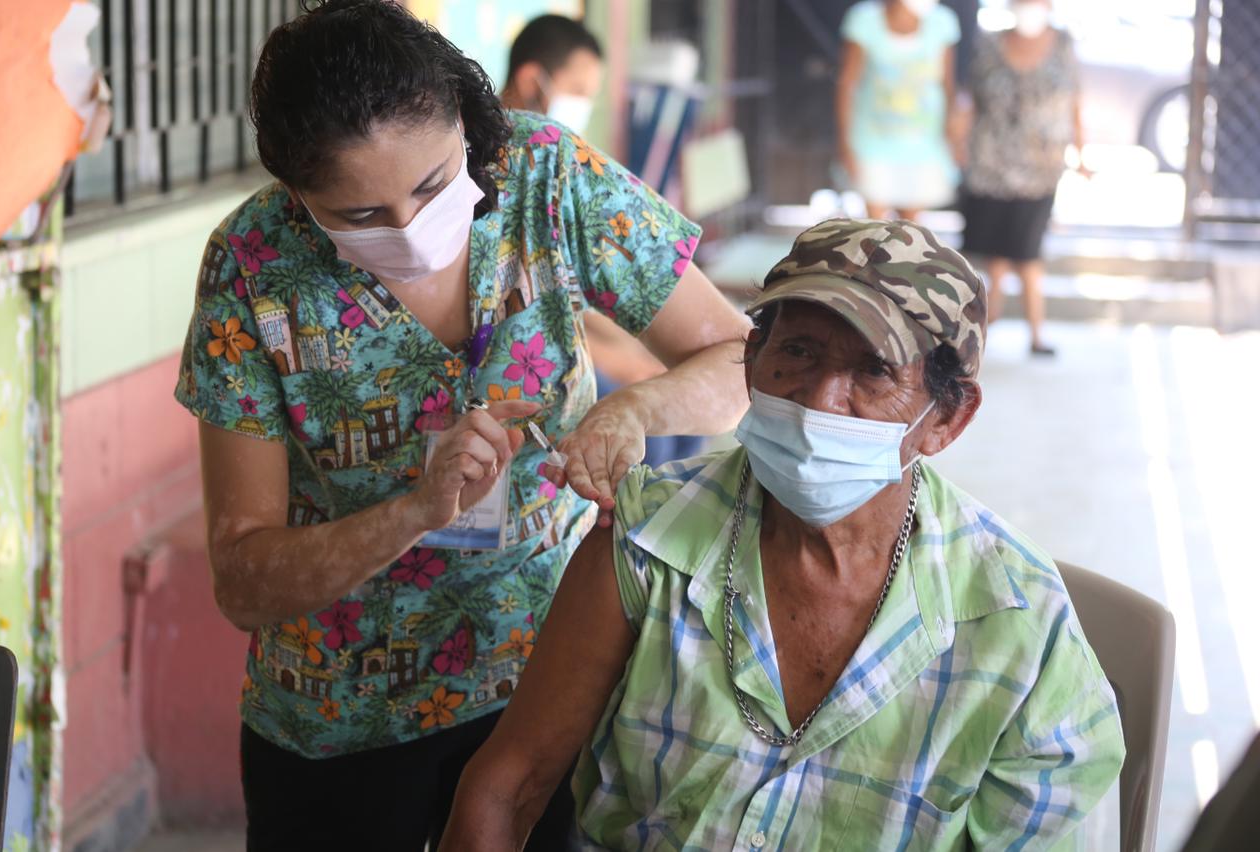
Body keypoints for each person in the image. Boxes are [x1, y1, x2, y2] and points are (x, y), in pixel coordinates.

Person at [172, 1, 750, 848]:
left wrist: (637, 409)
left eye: (433, 186)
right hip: (344, 726)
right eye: (359, 217)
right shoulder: (253, 266)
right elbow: (244, 580)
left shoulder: (546, 175)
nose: (407, 230)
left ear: (470, 129)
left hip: (555, 683)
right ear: (296, 196)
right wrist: (411, 511)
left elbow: (736, 358)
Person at [441, 219, 1125, 850]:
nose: (821, 398)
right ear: (751, 360)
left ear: (947, 419)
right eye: (797, 350)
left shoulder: (1021, 625)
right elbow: (509, 785)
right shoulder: (647, 537)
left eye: (873, 371)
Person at [501, 14, 705, 469]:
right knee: (654, 442)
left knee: (681, 416)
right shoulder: (497, 174)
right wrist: (620, 362)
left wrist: (639, 351)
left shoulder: (563, 172)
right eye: (579, 92)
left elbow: (585, 290)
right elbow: (512, 319)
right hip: (529, 361)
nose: (582, 108)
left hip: (575, 337)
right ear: (534, 79)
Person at [960, 0, 1085, 356]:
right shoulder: (989, 46)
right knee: (996, 253)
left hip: (1040, 170)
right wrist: (957, 139)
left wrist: (1080, 151)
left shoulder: (1062, 45)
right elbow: (971, 100)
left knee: (1028, 253)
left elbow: (1075, 100)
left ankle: (1035, 334)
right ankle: (991, 316)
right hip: (990, 166)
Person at [836, 0, 963, 220]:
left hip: (924, 145)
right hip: (872, 143)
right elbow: (847, 83)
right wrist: (845, 143)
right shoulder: (865, 20)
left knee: (910, 233)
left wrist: (956, 135)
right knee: (874, 230)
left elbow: (948, 84)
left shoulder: (942, 22)